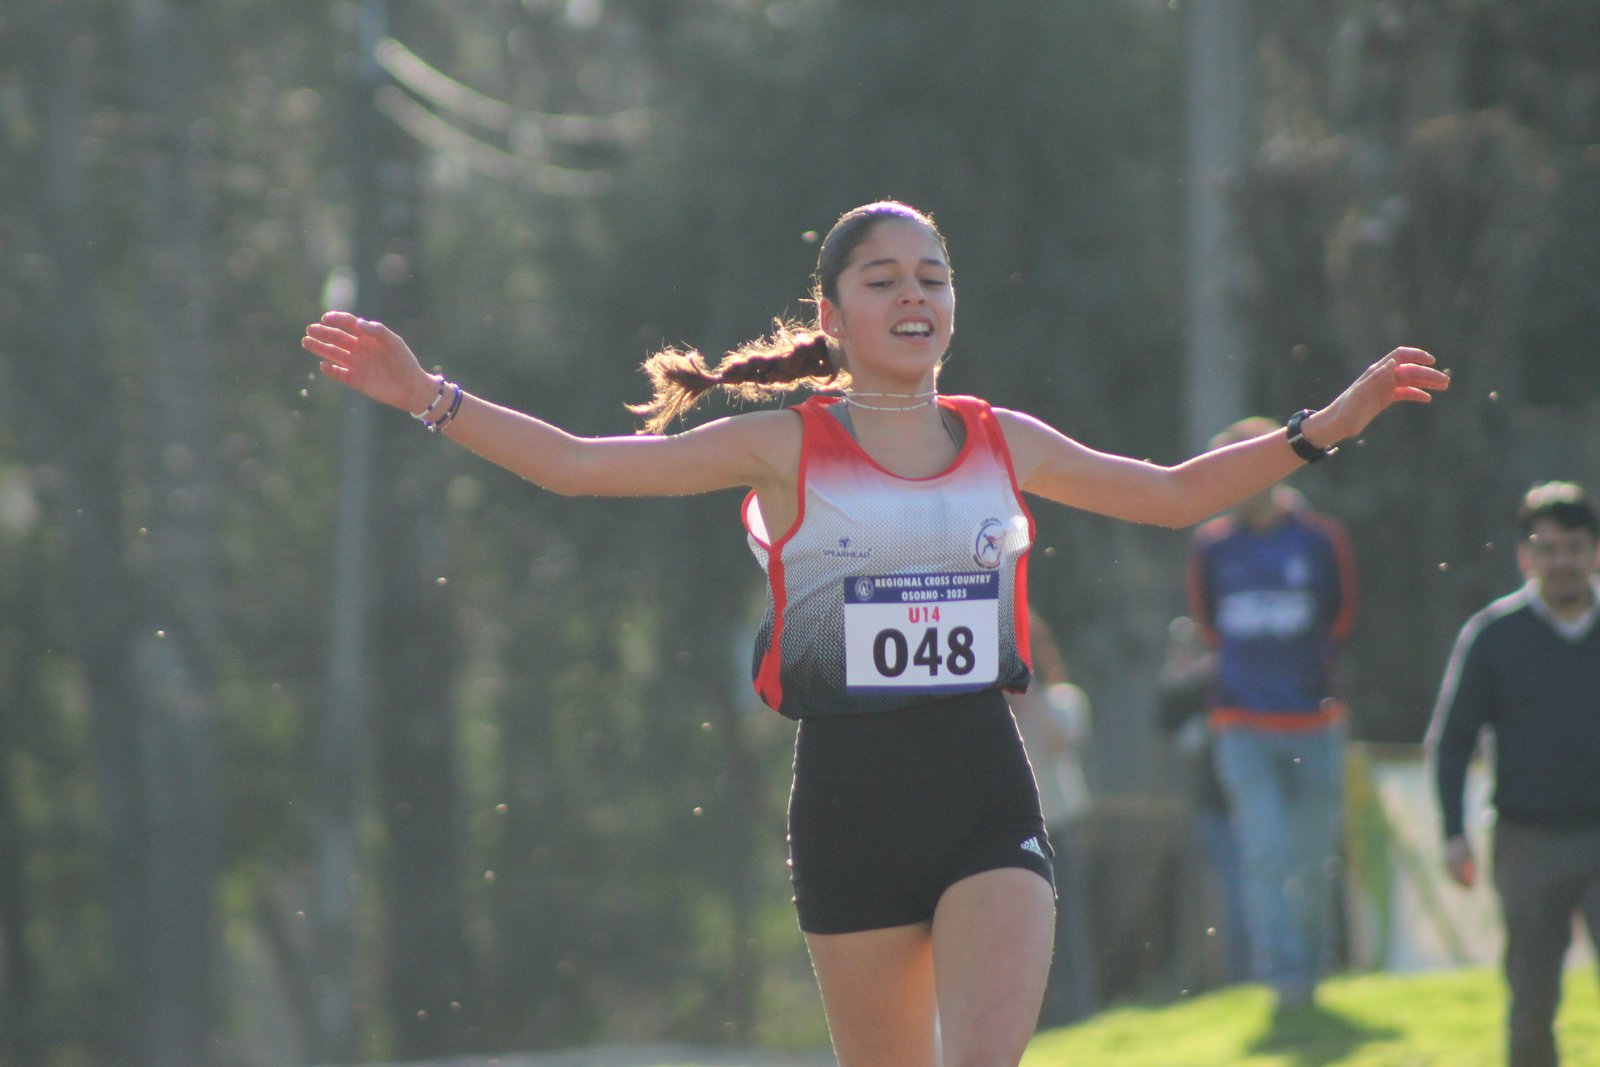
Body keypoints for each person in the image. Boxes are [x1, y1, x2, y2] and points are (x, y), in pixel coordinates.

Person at [301, 200, 1447, 1067]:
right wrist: (426, 395)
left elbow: (1172, 492)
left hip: (985, 786)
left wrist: (1330, 422)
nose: (915, 295)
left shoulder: (1002, 438)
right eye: (883, 277)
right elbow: (577, 466)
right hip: (849, 801)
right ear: (830, 314)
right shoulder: (783, 445)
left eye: (933, 277)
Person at [1185, 426, 1359, 1013]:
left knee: (1312, 858)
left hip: (1314, 722)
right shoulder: (1211, 547)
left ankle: (1314, 970)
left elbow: (1341, 619)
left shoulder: (1319, 539)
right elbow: (1211, 629)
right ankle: (1283, 981)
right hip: (1241, 724)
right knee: (1263, 853)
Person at [1427, 482, 1600, 1067]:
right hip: (1527, 842)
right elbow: (1452, 741)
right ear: (1526, 556)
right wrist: (1453, 833)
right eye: (1548, 549)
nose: (1562, 561)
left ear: (1595, 552)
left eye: (1574, 547)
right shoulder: (1494, 636)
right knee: (1531, 1004)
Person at [1007, 611, 1098, 1025]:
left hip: (1058, 823)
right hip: (1014, 829)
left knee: (1067, 924)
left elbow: (1062, 743)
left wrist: (1033, 695)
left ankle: (1078, 1010)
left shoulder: (1064, 699)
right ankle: (1037, 1017)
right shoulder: (998, 709)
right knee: (1021, 929)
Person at [1155, 613, 1251, 986]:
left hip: (1248, 802)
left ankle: (1269, 972)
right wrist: (1179, 678)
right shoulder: (1189, 689)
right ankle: (1243, 976)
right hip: (1215, 806)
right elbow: (1165, 719)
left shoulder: (1231, 674)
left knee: (1255, 890)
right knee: (1232, 894)